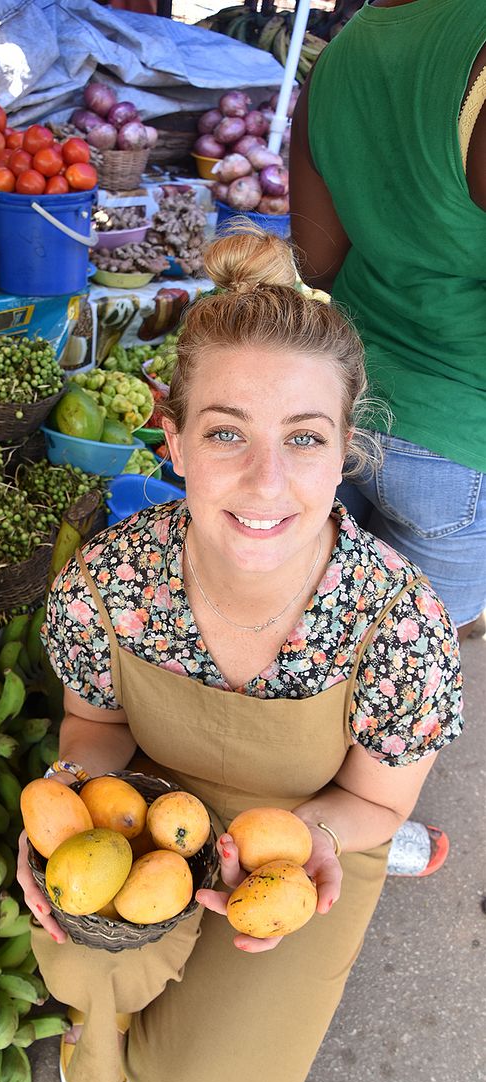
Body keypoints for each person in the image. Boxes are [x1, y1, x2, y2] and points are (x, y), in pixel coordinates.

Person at [16, 226, 463, 1082]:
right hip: (152, 823)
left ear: (346, 452)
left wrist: (323, 843)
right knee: (80, 956)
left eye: (304, 439)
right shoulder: (108, 582)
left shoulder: (401, 622)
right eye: (227, 432)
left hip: (302, 845)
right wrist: (68, 810)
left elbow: (377, 800)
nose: (266, 482)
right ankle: (103, 1021)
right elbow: (94, 731)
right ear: (172, 442)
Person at [289, 0, 486, 643]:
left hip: (343, 409)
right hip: (459, 441)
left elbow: (316, 262)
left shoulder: (338, 57)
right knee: (403, 690)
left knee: (313, 652)